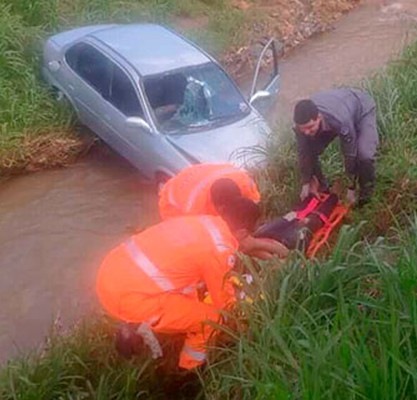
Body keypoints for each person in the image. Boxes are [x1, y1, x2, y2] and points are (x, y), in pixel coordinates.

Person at [96, 197, 288, 370]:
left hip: (112, 275)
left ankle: (137, 327)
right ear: (242, 231)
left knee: (194, 296)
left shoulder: (205, 222)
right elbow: (225, 306)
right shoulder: (219, 250)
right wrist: (248, 325)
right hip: (128, 298)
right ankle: (189, 368)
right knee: (213, 320)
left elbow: (190, 271)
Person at [293, 88, 379, 207]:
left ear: (319, 117)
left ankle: (366, 198)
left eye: (310, 127)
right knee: (311, 150)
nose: (306, 132)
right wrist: (306, 182)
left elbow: (350, 153)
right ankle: (323, 189)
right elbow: (304, 152)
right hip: (339, 106)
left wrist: (351, 187)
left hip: (361, 109)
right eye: (303, 129)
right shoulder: (300, 127)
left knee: (364, 155)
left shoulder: (339, 120)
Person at [158, 163, 261, 220]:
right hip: (171, 202)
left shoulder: (245, 183)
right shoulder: (193, 211)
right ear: (221, 209)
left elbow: (252, 207)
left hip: (201, 176)